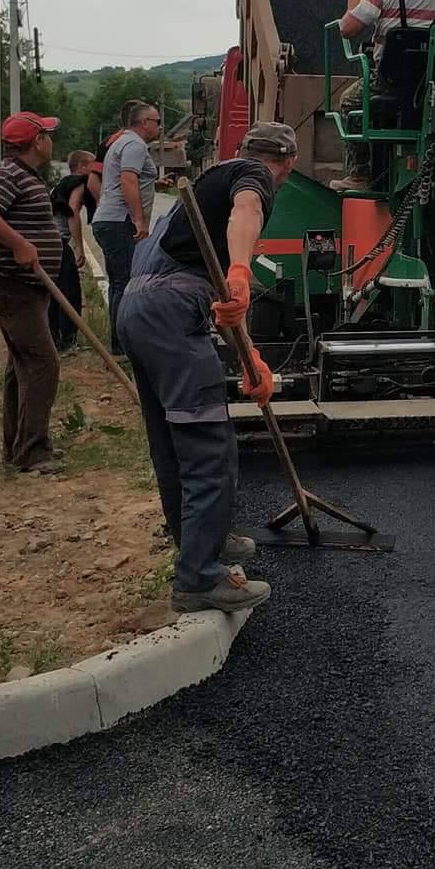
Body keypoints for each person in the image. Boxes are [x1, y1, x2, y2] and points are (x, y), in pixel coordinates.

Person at [118, 121, 297, 615]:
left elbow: (216, 297)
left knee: (172, 445)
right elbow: (248, 211)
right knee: (208, 450)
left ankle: (204, 543)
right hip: (172, 318)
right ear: (289, 164)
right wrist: (242, 271)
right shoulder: (252, 177)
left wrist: (250, 359)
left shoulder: (199, 192)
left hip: (137, 313)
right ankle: (198, 578)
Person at [0, 112, 65, 474]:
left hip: (25, 288)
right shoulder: (8, 173)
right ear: (37, 141)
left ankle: (19, 445)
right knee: (43, 363)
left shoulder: (22, 176)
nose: (51, 141)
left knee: (21, 366)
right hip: (14, 287)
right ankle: (33, 451)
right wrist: (19, 243)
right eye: (48, 135)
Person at [332, 0, 435, 190]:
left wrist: (352, 6)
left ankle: (359, 174)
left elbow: (347, 29)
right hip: (427, 83)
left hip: (387, 80)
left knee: (349, 101)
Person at [92, 100, 161, 352]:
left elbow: (133, 179)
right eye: (157, 121)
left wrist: (156, 183)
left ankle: (120, 344)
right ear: (144, 123)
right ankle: (124, 346)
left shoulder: (121, 142)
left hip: (108, 220)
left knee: (119, 283)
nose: (159, 127)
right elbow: (128, 180)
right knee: (126, 284)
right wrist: (139, 219)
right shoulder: (134, 144)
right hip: (119, 221)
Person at [48, 150, 93, 352]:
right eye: (93, 165)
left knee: (54, 292)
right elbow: (72, 210)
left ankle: (53, 337)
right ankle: (68, 340)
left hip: (46, 241)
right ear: (82, 166)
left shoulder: (62, 183)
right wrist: (79, 247)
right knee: (69, 292)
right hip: (58, 242)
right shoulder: (79, 182)